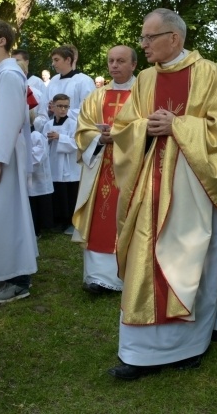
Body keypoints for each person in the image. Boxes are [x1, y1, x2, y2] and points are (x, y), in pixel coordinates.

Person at [108, 8, 217, 380]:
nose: (144, 45)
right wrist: (145, 127)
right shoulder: (144, 79)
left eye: (149, 38)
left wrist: (178, 125)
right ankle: (139, 350)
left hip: (193, 185)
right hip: (150, 185)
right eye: (142, 38)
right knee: (147, 255)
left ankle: (190, 345)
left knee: (191, 259)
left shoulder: (208, 73)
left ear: (173, 38)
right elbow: (126, 126)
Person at [0, 19, 39, 304]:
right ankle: (8, 272)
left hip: (4, 155)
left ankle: (18, 280)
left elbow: (9, 120)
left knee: (4, 215)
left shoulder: (10, 74)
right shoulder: (1, 73)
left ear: (1, 41)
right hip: (0, 151)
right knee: (0, 214)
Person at [73, 45, 137, 294]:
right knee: (100, 218)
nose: (114, 65)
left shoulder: (144, 93)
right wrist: (99, 139)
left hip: (131, 168)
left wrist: (120, 134)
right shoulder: (97, 96)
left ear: (133, 65)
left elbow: (147, 126)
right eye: (111, 61)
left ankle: (128, 276)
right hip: (101, 167)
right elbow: (83, 127)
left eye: (121, 61)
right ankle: (97, 277)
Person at [42, 93, 80, 232]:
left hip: (68, 165)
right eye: (60, 106)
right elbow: (41, 143)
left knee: (68, 194)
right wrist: (48, 140)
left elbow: (77, 143)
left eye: (66, 106)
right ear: (53, 106)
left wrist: (60, 137)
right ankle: (57, 220)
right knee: (57, 193)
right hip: (53, 163)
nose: (63, 109)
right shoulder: (48, 124)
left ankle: (69, 220)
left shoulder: (73, 124)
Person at [47, 45, 95, 123]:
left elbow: (88, 110)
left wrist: (61, 111)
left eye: (56, 60)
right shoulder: (53, 80)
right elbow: (43, 107)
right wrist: (49, 110)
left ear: (68, 60)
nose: (53, 64)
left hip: (74, 129)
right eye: (53, 60)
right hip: (52, 127)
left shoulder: (84, 80)